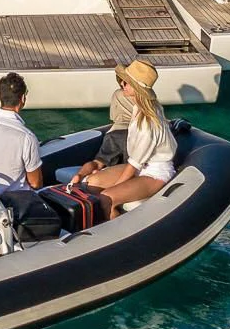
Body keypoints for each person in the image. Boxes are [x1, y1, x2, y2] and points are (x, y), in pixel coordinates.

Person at [75, 59, 177, 221]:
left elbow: (134, 163)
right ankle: (96, 222)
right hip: (140, 167)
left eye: (127, 82)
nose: (122, 84)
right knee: (91, 183)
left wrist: (116, 187)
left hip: (155, 173)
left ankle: (111, 234)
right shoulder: (138, 107)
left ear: (137, 89)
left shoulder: (148, 123)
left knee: (106, 197)